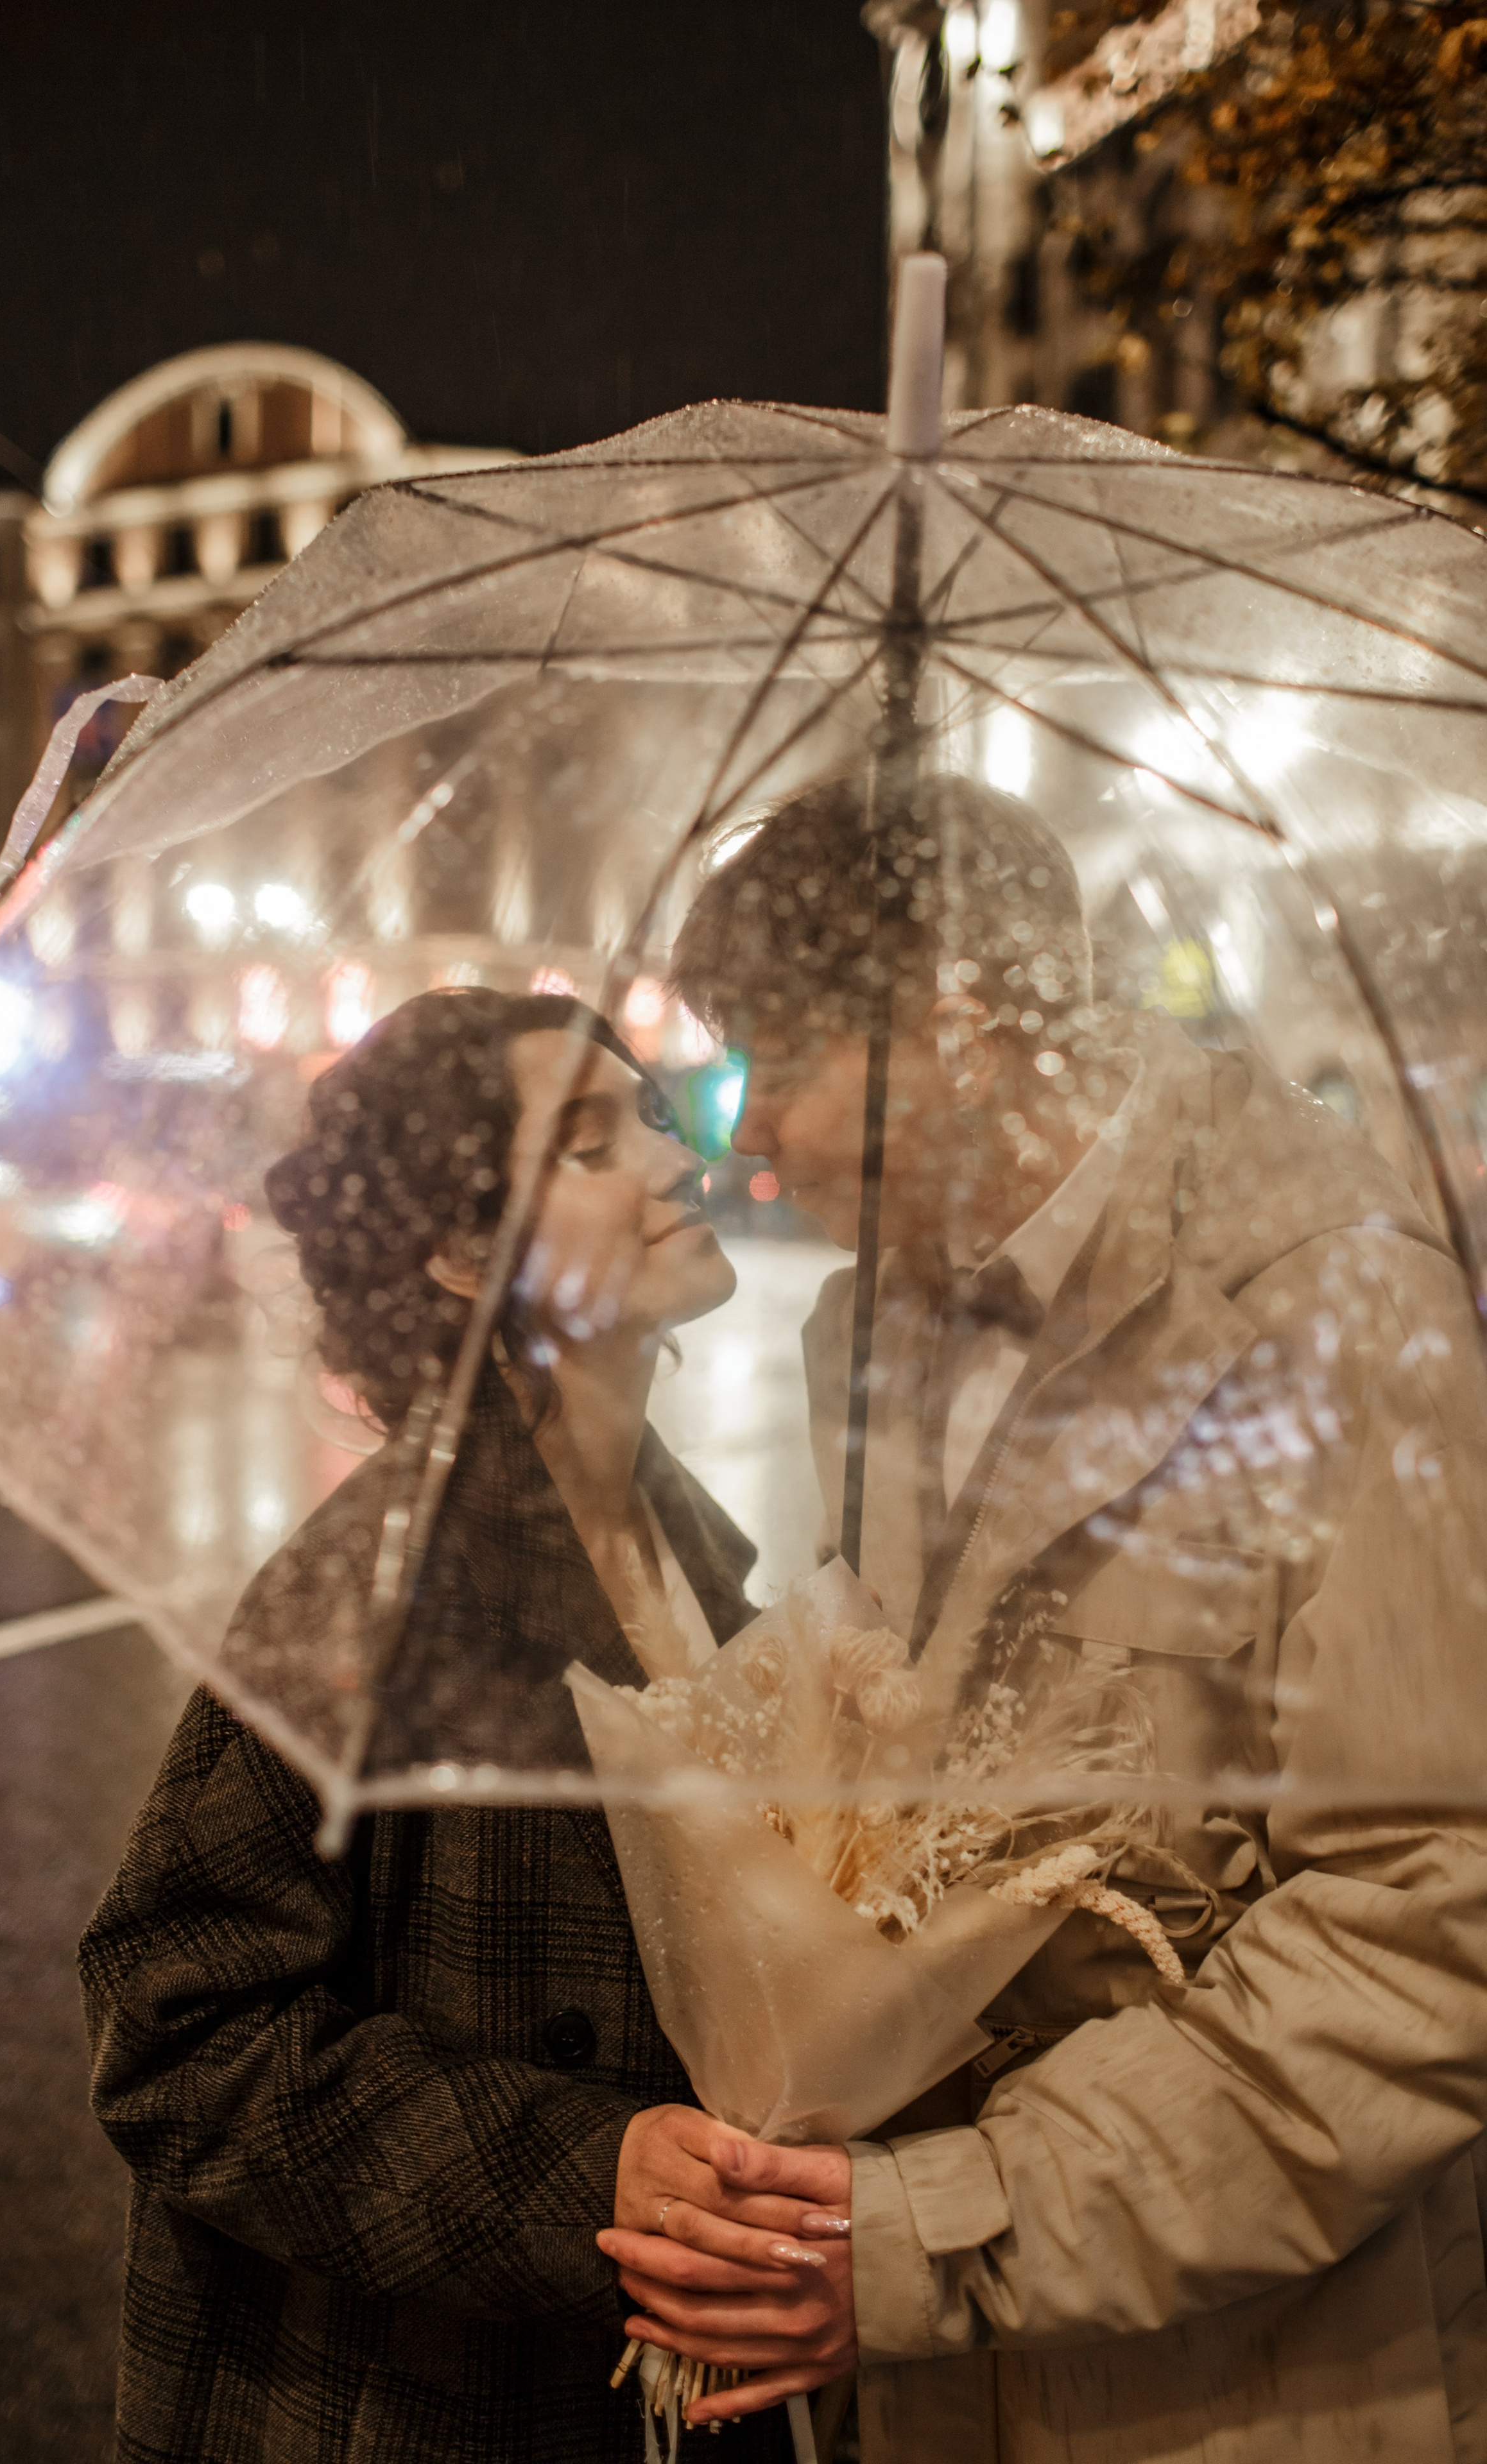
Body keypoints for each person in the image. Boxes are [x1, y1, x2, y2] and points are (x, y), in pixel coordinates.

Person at [596, 771, 1487, 2464]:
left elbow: (1429, 1919)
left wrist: (951, 2230)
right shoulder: (868, 1323)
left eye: (779, 1062)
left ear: (964, 1018)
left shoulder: (1328, 1301)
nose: (744, 1134)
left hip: (1253, 2382)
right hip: (934, 2381)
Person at [78, 986, 819, 2464]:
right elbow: (178, 2035)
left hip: (634, 2381)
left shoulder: (692, 1543)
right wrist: (586, 2170)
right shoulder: (378, 1586)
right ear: (463, 1249)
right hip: (411, 2404)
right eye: (590, 1147)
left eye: (654, 1122)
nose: (676, 1164)